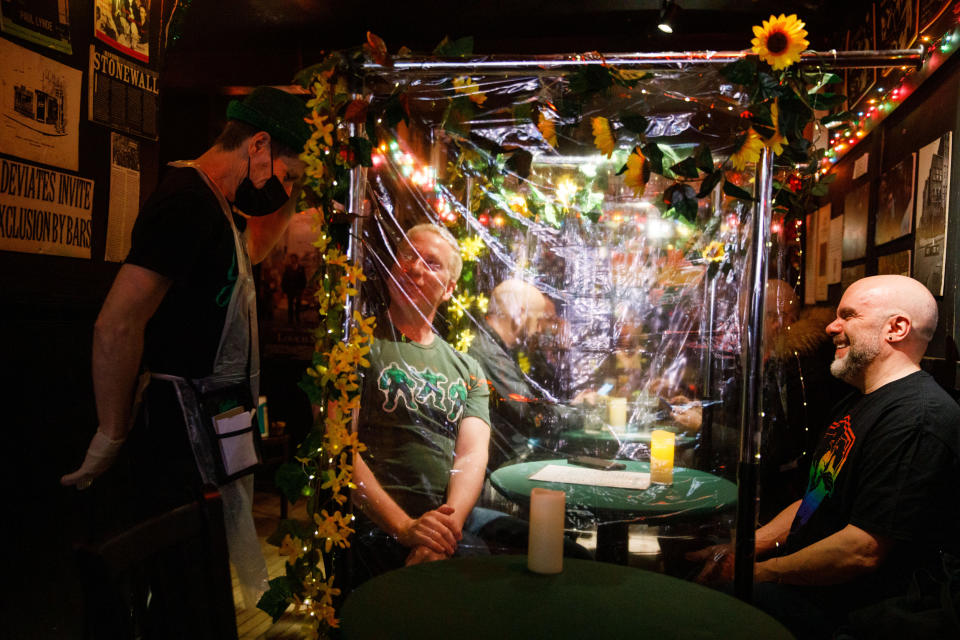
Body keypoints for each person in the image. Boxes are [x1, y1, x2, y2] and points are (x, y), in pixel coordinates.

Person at [60, 86, 310, 611]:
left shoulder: (222, 208)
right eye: (288, 177)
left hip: (214, 421)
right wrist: (111, 432)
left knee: (205, 574)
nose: (285, 192)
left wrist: (297, 194)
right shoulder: (186, 200)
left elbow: (256, 250)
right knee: (183, 585)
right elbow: (117, 324)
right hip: (177, 430)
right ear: (258, 145)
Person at [687, 275, 960, 639]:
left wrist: (756, 573)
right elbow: (815, 498)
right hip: (812, 590)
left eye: (848, 316)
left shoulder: (918, 418)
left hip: (854, 615)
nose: (832, 326)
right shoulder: (858, 399)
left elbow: (862, 550)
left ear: (896, 328)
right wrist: (744, 549)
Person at [351, 223, 493, 581]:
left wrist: (442, 532)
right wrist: (403, 527)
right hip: (372, 527)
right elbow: (337, 448)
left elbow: (472, 455)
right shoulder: (354, 348)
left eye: (431, 262)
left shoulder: (468, 369)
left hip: (442, 528)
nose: (414, 267)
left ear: (448, 289)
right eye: (407, 256)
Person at [467, 279, 579, 470]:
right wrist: (578, 413)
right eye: (537, 320)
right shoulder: (490, 355)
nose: (538, 329)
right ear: (520, 314)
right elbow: (531, 416)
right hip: (498, 471)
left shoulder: (496, 352)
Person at [281, 253, 307, 325]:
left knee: (298, 305)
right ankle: (290, 320)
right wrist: (284, 290)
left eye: (294, 258)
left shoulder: (301, 268)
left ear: (296, 259)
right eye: (291, 258)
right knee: (290, 305)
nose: (293, 260)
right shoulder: (288, 268)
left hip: (298, 289)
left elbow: (303, 279)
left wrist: (302, 289)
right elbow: (284, 279)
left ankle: (297, 319)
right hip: (290, 289)